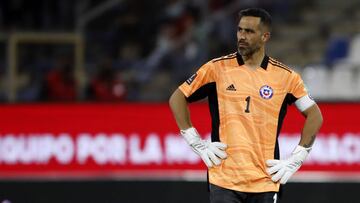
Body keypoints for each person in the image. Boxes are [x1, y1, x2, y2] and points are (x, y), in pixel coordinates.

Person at [169, 8, 323, 203]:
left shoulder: (286, 77)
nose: (242, 36)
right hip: (224, 179)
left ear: (265, 36)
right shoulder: (217, 69)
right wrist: (197, 143)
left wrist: (296, 159)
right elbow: (177, 98)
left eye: (249, 31)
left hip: (265, 180)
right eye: (240, 30)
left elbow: (315, 115)